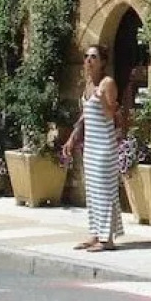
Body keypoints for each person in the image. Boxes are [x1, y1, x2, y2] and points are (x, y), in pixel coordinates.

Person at [62, 45, 122, 252]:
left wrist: (102, 97)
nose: (88, 60)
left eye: (93, 57)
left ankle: (108, 239)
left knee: (106, 192)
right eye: (86, 57)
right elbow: (85, 115)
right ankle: (95, 234)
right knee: (93, 191)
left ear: (103, 62)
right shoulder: (87, 84)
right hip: (90, 145)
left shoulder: (107, 83)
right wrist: (73, 137)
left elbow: (110, 114)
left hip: (105, 146)